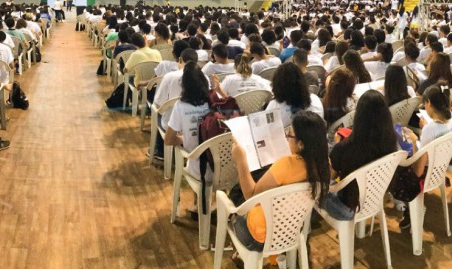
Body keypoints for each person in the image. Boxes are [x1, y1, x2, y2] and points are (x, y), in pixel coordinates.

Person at [230, 111, 330, 251]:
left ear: (301, 144)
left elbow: (250, 198)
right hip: (292, 230)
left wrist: (241, 161)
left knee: (232, 204)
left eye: (290, 134)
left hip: (259, 237)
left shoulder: (287, 165)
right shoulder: (325, 165)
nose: (287, 137)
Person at [326, 90, 399, 220]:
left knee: (315, 191)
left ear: (358, 116)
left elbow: (331, 177)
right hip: (376, 197)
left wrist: (337, 146)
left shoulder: (345, 147)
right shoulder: (391, 140)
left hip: (348, 206)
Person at [400, 85, 452, 228]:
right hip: (442, 166)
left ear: (429, 103)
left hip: (427, 171)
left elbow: (419, 168)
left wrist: (414, 141)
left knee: (400, 167)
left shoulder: (429, 130)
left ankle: (411, 211)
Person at [164, 60, 213, 214]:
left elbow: (168, 140)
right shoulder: (214, 101)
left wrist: (183, 139)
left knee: (194, 153)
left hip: (199, 167)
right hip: (223, 166)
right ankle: (213, 203)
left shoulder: (181, 106)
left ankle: (198, 205)